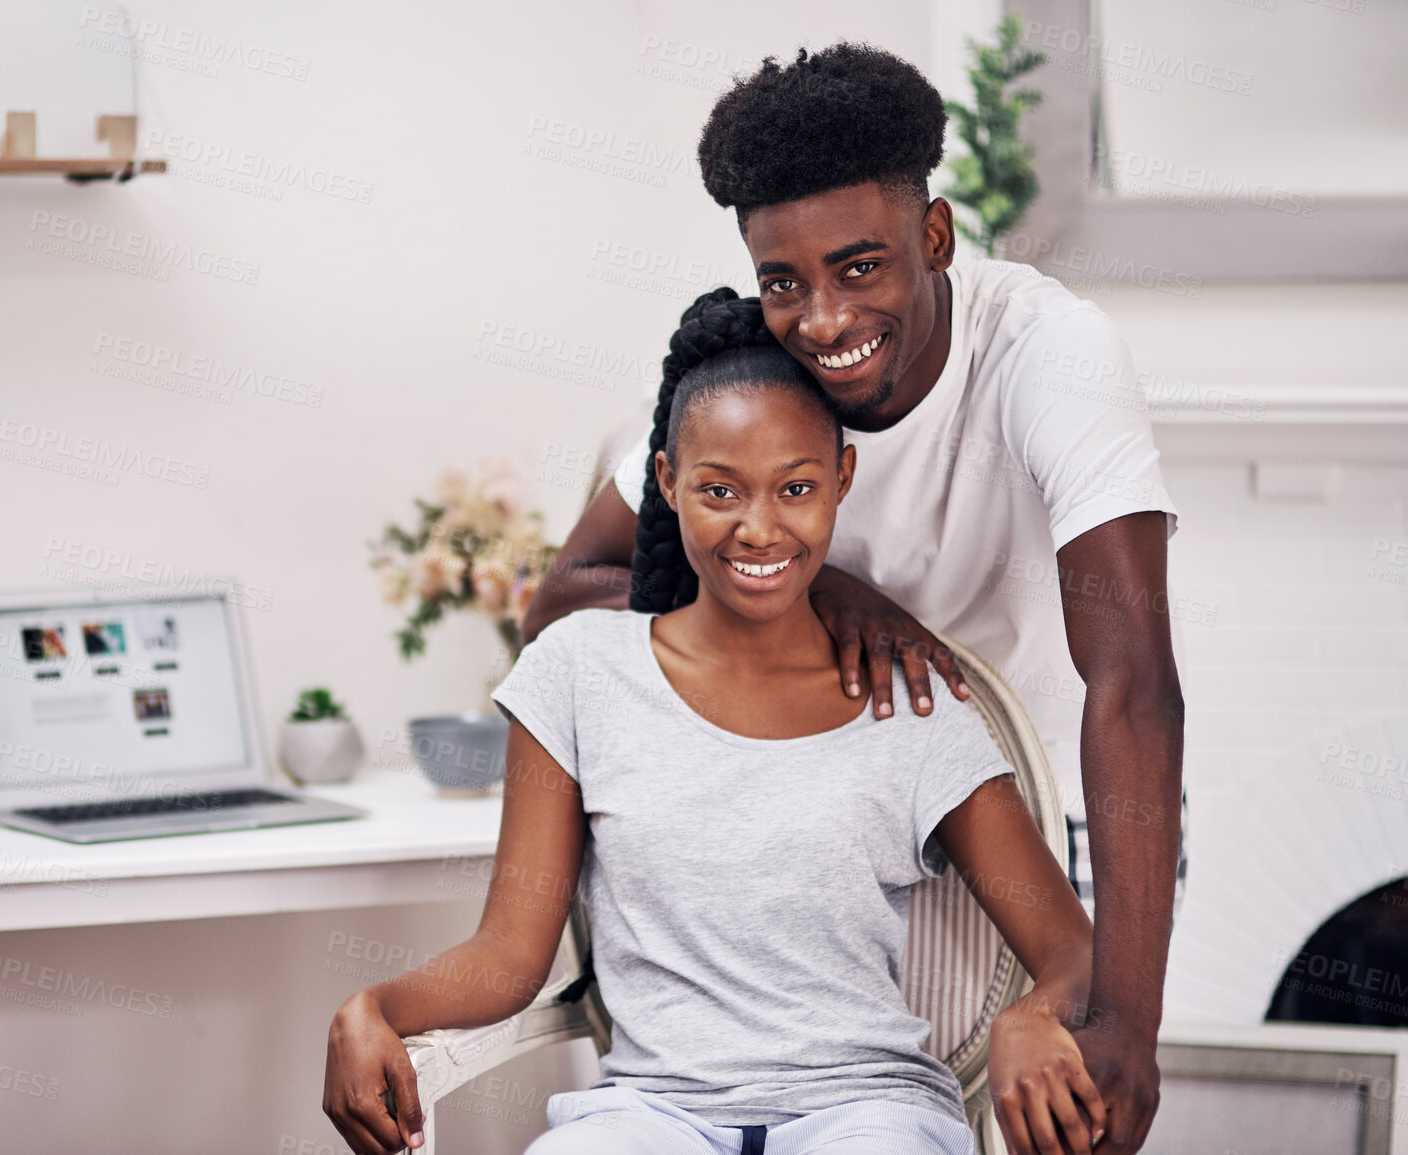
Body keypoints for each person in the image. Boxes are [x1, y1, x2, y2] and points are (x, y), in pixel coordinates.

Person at [522, 44, 1184, 1153]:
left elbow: (1130, 683)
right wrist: (832, 587)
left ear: (934, 239)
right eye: (784, 281)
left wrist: (1123, 1018)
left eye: (860, 268)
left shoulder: (1048, 354)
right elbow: (568, 597)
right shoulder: (743, 378)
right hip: (829, 828)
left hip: (1032, 827)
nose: (822, 321)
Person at [324, 299, 1106, 1155]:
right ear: (666, 482)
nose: (759, 527)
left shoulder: (910, 702)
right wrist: (373, 1007)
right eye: (720, 489)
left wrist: (1035, 1013)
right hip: (648, 1116)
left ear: (842, 479)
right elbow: (510, 952)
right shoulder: (578, 672)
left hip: (868, 1115)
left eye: (796, 488)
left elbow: (1068, 942)